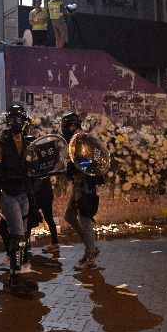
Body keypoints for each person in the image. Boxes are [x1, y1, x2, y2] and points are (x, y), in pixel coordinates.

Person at [0, 105, 38, 299]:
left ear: (24, 122)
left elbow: (34, 165)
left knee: (23, 236)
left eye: (19, 120)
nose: (15, 123)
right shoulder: (1, 143)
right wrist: (0, 181)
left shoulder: (29, 144)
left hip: (24, 194)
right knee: (17, 236)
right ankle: (15, 279)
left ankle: (17, 275)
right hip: (9, 194)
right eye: (12, 119)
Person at [61, 112, 103, 270]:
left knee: (85, 219)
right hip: (79, 183)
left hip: (85, 184)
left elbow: (85, 162)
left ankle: (91, 258)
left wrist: (70, 169)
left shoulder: (82, 140)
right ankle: (92, 248)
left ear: (72, 126)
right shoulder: (79, 139)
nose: (64, 130)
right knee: (69, 216)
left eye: (65, 127)